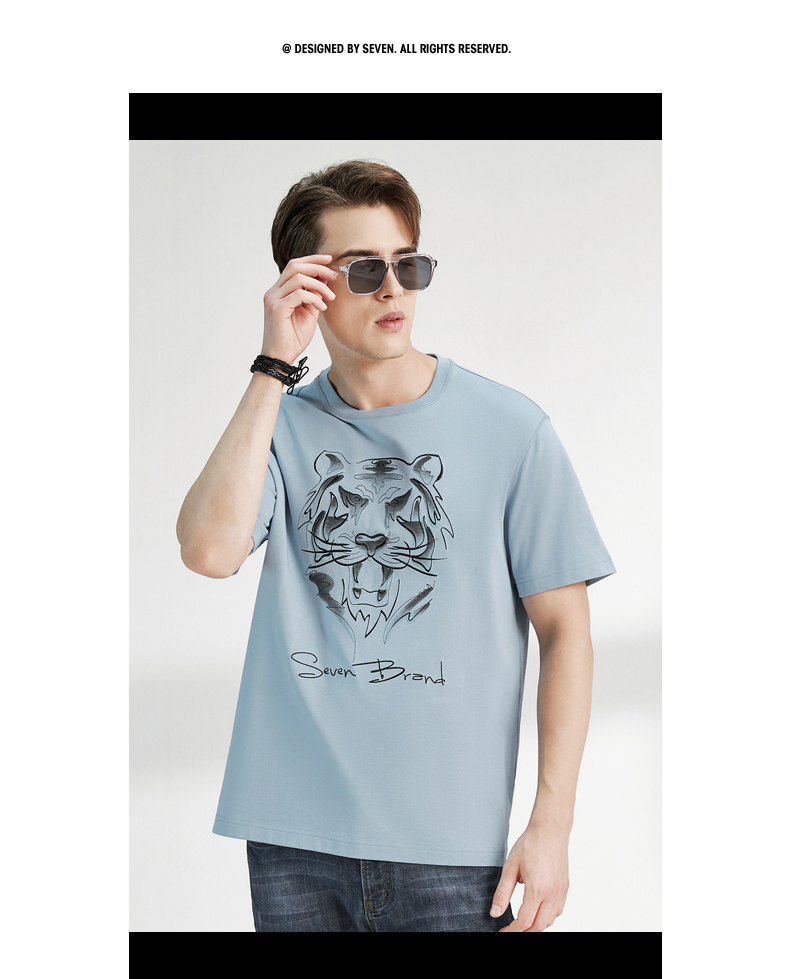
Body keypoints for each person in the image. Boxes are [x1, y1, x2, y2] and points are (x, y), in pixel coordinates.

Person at [176, 159, 616, 933]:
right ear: (309, 284)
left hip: (452, 847)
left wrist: (552, 823)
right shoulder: (277, 426)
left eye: (407, 265)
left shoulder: (511, 430)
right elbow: (209, 551)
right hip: (292, 838)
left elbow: (565, 630)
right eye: (364, 269)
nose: (393, 289)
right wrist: (274, 366)